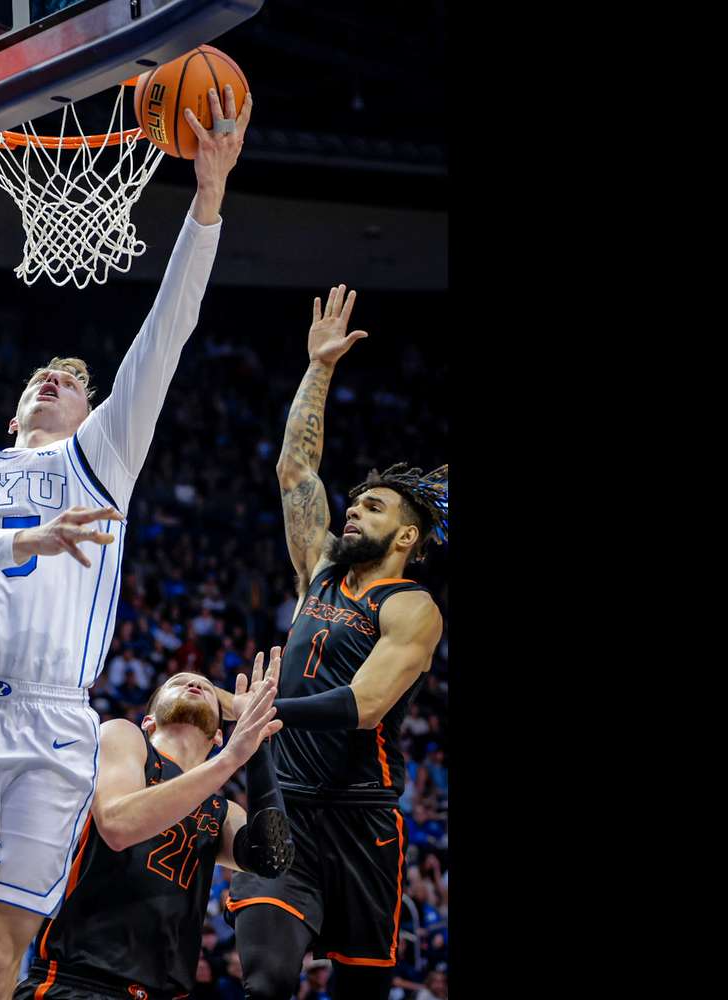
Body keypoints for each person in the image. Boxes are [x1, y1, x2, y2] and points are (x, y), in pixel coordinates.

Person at [0, 84, 254, 1000]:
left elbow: (166, 331)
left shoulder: (102, 463)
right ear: (21, 405)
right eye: (44, 374)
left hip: (57, 722)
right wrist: (25, 538)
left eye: (73, 377)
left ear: (96, 412)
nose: (57, 377)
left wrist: (208, 200)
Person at [220, 285, 447, 1000]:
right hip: (283, 801)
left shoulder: (413, 607)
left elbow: (366, 705)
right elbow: (297, 471)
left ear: (406, 538)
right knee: (266, 979)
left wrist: (261, 709)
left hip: (362, 819)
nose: (351, 510)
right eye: (353, 503)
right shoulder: (318, 569)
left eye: (372, 507)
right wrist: (320, 367)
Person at [14, 665, 291, 1000]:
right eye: (176, 682)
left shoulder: (223, 810)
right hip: (78, 981)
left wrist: (259, 742)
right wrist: (230, 759)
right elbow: (118, 825)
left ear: (219, 733)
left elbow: (272, 857)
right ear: (149, 721)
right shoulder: (125, 739)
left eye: (204, 685)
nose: (192, 682)